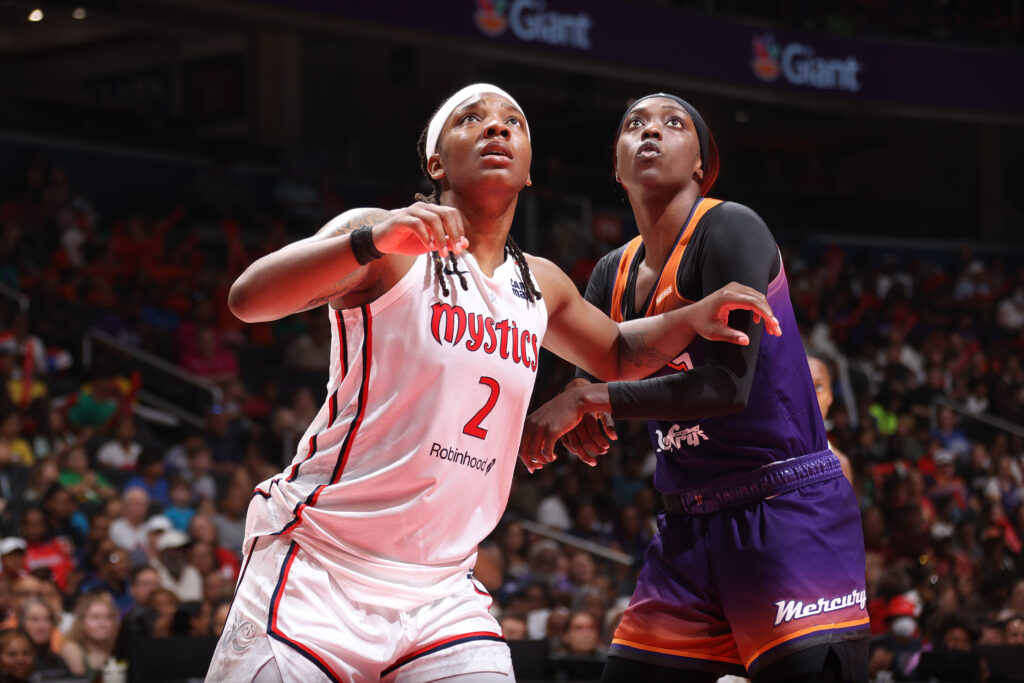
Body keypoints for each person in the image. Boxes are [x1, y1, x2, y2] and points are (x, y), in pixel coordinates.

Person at [206, 84, 779, 683]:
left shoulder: (543, 283)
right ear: (435, 161)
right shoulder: (385, 238)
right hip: (320, 565)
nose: (497, 128)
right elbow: (249, 299)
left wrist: (691, 315)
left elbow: (618, 351)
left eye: (514, 123)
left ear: (530, 171)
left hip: (442, 592)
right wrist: (372, 241)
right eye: (472, 119)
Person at [524, 93, 868, 682]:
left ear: (703, 166)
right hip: (687, 524)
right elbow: (595, 379)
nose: (650, 132)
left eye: (673, 123)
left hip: (783, 508)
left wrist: (593, 399)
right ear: (616, 164)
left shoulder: (731, 227)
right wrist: (585, 416)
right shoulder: (611, 272)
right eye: (634, 125)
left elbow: (728, 389)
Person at [807, 355, 854, 485]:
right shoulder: (764, 451)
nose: (810, 394)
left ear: (830, 396)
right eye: (802, 385)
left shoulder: (840, 463)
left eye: (818, 387)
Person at [59, 591, 119, 681]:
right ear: (81, 622)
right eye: (95, 618)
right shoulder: (71, 649)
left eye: (108, 617)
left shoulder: (117, 646)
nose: (102, 624)